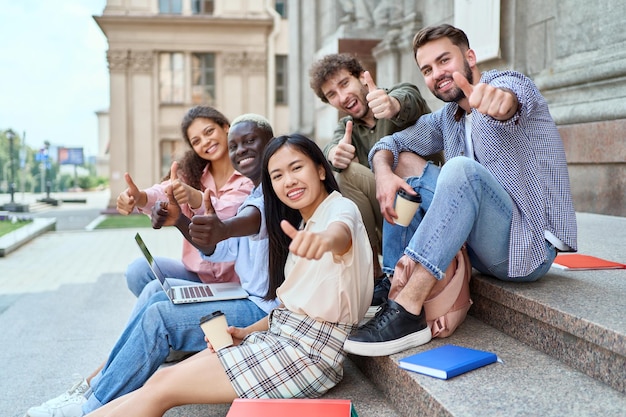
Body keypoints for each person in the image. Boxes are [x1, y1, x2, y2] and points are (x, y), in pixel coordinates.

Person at [83, 134, 373, 417]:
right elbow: (289, 309)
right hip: (279, 336)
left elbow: (341, 233)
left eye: (297, 168)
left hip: (308, 356)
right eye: (277, 176)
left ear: (321, 169)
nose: (289, 181)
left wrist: (325, 241)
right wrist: (245, 332)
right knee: (159, 381)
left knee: (164, 390)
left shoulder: (339, 209)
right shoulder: (304, 220)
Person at [343, 24, 577, 357]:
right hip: (481, 244)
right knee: (400, 160)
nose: (437, 74)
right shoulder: (448, 118)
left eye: (444, 61)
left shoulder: (508, 85)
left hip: (525, 247)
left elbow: (511, 100)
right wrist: (382, 173)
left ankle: (408, 311)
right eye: (427, 69)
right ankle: (395, 277)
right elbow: (390, 143)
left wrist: (501, 103)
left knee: (459, 170)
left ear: (469, 57)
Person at [24, 115, 279, 417]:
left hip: (261, 308)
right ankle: (102, 383)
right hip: (241, 291)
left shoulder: (265, 195)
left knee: (160, 315)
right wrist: (174, 216)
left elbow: (236, 220)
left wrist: (199, 207)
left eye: (249, 142)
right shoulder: (248, 187)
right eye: (235, 145)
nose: (240, 150)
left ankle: (91, 406)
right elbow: (218, 248)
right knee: (154, 294)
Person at [309, 53, 442, 287]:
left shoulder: (396, 94)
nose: (342, 96)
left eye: (344, 83)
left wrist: (391, 105)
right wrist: (333, 153)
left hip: (429, 204)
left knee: (389, 163)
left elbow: (408, 99)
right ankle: (374, 275)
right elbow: (333, 146)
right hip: (391, 218)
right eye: (332, 94)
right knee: (345, 173)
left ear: (362, 77)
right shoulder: (347, 127)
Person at [117, 105, 253, 297]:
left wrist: (193, 196)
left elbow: (226, 213)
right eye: (196, 141)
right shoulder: (193, 173)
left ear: (226, 127)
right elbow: (164, 190)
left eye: (209, 132)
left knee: (155, 292)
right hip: (199, 275)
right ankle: (182, 320)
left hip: (238, 283)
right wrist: (139, 197)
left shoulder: (249, 174)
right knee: (137, 270)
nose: (206, 142)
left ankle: (179, 320)